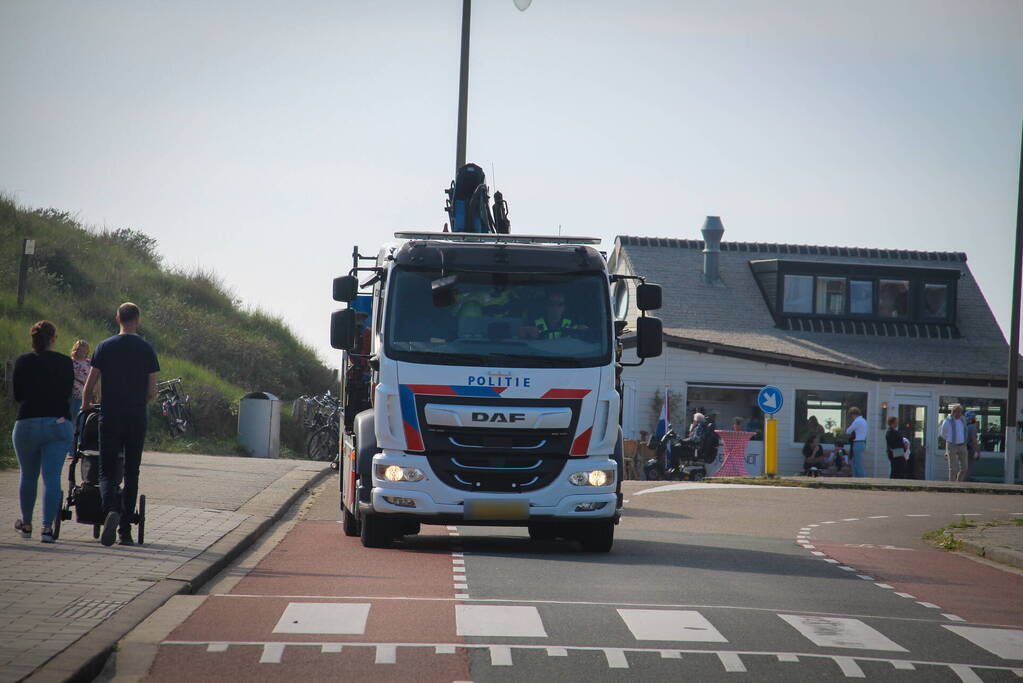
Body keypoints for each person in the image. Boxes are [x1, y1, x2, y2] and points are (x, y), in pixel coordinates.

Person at [82, 303, 160, 546]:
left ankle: (110, 510)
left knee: (107, 469)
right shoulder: (147, 348)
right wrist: (137, 402)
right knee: (131, 471)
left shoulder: (104, 346)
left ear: (118, 319)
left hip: (110, 415)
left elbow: (90, 384)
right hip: (135, 416)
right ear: (138, 320)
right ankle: (125, 531)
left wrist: (85, 404)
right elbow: (152, 391)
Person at [12, 321, 74, 543]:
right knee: (52, 477)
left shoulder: (23, 361)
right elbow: (68, 392)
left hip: (27, 422)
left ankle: (26, 524)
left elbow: (17, 395)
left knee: (28, 475)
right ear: (53, 339)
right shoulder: (65, 362)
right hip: (57, 422)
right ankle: (47, 528)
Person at [940, 404, 969, 482]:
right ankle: (952, 485)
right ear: (953, 412)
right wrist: (949, 440)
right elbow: (943, 433)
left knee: (965, 467)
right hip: (952, 445)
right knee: (953, 468)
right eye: (958, 412)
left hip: (962, 445)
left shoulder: (963, 419)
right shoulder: (948, 420)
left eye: (961, 412)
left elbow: (965, 430)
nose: (960, 414)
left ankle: (959, 482)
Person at [69, 340, 91, 418]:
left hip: (83, 395)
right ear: (75, 350)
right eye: (79, 350)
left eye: (83, 351)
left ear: (87, 352)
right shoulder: (69, 361)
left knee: (80, 417)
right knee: (69, 415)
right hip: (70, 394)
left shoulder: (89, 363)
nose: (81, 353)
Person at [844, 407, 868, 477]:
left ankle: (861, 478)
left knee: (857, 463)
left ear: (853, 414)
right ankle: (857, 478)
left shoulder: (857, 421)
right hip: (862, 442)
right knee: (856, 462)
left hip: (857, 443)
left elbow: (848, 431)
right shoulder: (864, 421)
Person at [965, 410, 981, 475]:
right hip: (969, 450)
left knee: (962, 468)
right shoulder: (972, 427)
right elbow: (974, 440)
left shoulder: (964, 426)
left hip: (962, 449)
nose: (975, 419)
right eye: (974, 417)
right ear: (971, 418)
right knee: (967, 468)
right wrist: (977, 451)